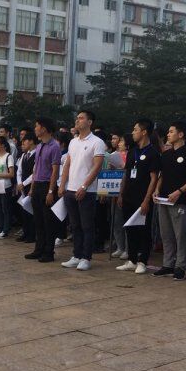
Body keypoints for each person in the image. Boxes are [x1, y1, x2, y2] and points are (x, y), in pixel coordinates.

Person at [59, 111, 107, 271]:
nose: (77, 120)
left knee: (87, 225)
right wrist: (62, 184)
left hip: (87, 191)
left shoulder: (97, 142)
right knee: (75, 225)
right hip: (70, 189)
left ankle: (86, 257)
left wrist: (85, 186)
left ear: (90, 122)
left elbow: (97, 166)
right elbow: (67, 164)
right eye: (77, 118)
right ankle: (76, 255)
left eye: (81, 118)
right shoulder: (73, 142)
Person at [153, 121, 186, 280]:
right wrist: (157, 189)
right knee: (166, 234)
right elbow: (162, 175)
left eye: (171, 131)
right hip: (163, 198)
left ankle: (180, 265)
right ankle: (167, 264)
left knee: (180, 234)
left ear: (181, 134)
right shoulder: (166, 154)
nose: (168, 134)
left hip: (180, 200)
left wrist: (180, 191)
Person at [116, 118, 161, 275]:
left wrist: (146, 200)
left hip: (143, 198)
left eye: (135, 130)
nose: (133, 132)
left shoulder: (153, 153)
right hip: (128, 195)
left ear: (144, 132)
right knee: (130, 228)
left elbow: (154, 178)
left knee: (144, 230)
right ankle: (132, 259)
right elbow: (126, 173)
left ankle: (143, 261)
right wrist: (121, 194)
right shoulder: (132, 151)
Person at [27, 118, 62, 262]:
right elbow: (36, 169)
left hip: (47, 185)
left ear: (44, 128)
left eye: (37, 126)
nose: (35, 129)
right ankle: (39, 249)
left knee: (48, 221)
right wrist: (32, 187)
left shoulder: (55, 146)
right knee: (38, 220)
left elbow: (55, 171)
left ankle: (49, 252)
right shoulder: (40, 146)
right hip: (37, 185)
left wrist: (50, 191)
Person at [16, 133, 36, 244]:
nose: (23, 144)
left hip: (31, 186)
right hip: (22, 187)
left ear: (31, 141)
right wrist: (19, 183)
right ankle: (25, 232)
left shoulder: (37, 154)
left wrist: (24, 183)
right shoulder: (24, 155)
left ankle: (32, 235)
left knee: (31, 211)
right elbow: (19, 171)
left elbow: (35, 173)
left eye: (25, 141)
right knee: (23, 210)